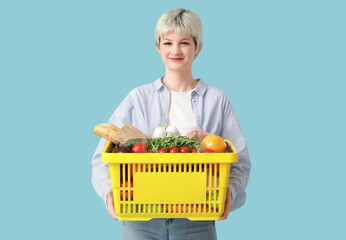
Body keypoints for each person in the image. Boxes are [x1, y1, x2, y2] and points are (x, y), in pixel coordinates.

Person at [91, 8, 251, 239]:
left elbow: (240, 162)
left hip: (198, 220)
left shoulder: (217, 100)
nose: (175, 50)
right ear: (158, 47)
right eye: (167, 43)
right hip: (141, 220)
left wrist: (230, 191)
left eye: (184, 42)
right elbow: (101, 158)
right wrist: (109, 192)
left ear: (198, 47)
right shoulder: (138, 98)